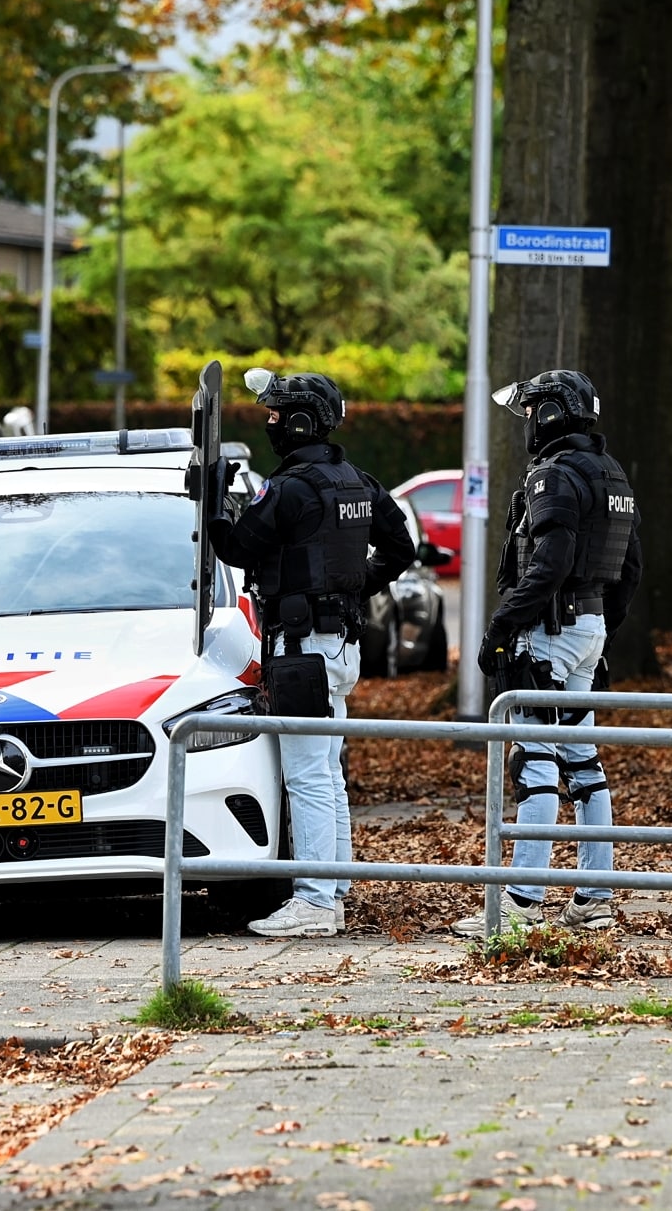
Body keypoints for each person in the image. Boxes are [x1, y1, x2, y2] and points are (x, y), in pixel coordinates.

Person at [212, 370, 416, 937]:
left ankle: (316, 901)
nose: (270, 422)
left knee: (306, 775)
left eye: (276, 415)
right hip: (340, 643)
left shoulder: (291, 487)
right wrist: (351, 589)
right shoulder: (357, 480)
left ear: (301, 422)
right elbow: (401, 547)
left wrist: (214, 500)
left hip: (301, 648)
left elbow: (235, 546)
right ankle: (334, 890)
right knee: (327, 772)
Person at [453, 370, 642, 935]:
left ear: (551, 414)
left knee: (534, 763)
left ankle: (520, 904)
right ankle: (594, 898)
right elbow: (630, 568)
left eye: (532, 410)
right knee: (583, 763)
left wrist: (502, 626)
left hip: (548, 633)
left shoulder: (554, 474)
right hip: (588, 629)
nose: (528, 422)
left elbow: (550, 561)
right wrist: (601, 630)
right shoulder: (612, 473)